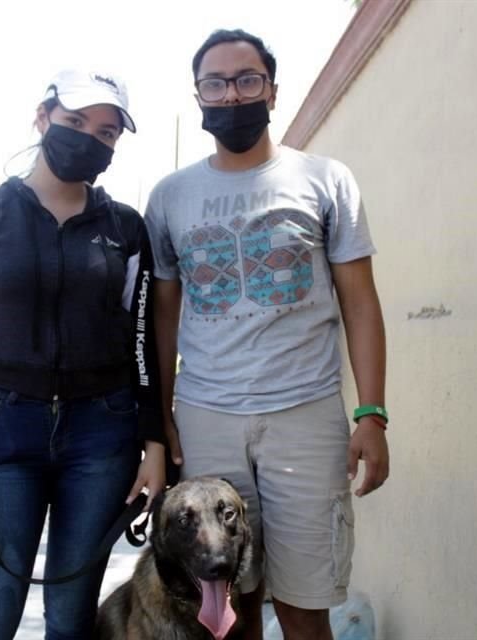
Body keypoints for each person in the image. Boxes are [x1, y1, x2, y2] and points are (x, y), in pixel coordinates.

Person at [145, 29, 390, 640]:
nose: (232, 96)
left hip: (305, 416)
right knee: (227, 608)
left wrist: (372, 413)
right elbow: (163, 318)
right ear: (198, 96)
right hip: (208, 418)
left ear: (273, 91)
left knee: (307, 605)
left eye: (247, 80)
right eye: (216, 84)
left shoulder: (326, 180)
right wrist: (161, 418)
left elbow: (360, 302)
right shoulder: (170, 198)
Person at [0, 69, 166, 640]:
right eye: (76, 122)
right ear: (43, 117)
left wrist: (155, 442)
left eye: (107, 133)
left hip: (102, 438)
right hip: (3, 433)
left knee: (69, 617)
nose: (90, 139)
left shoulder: (126, 229)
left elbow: (143, 345)